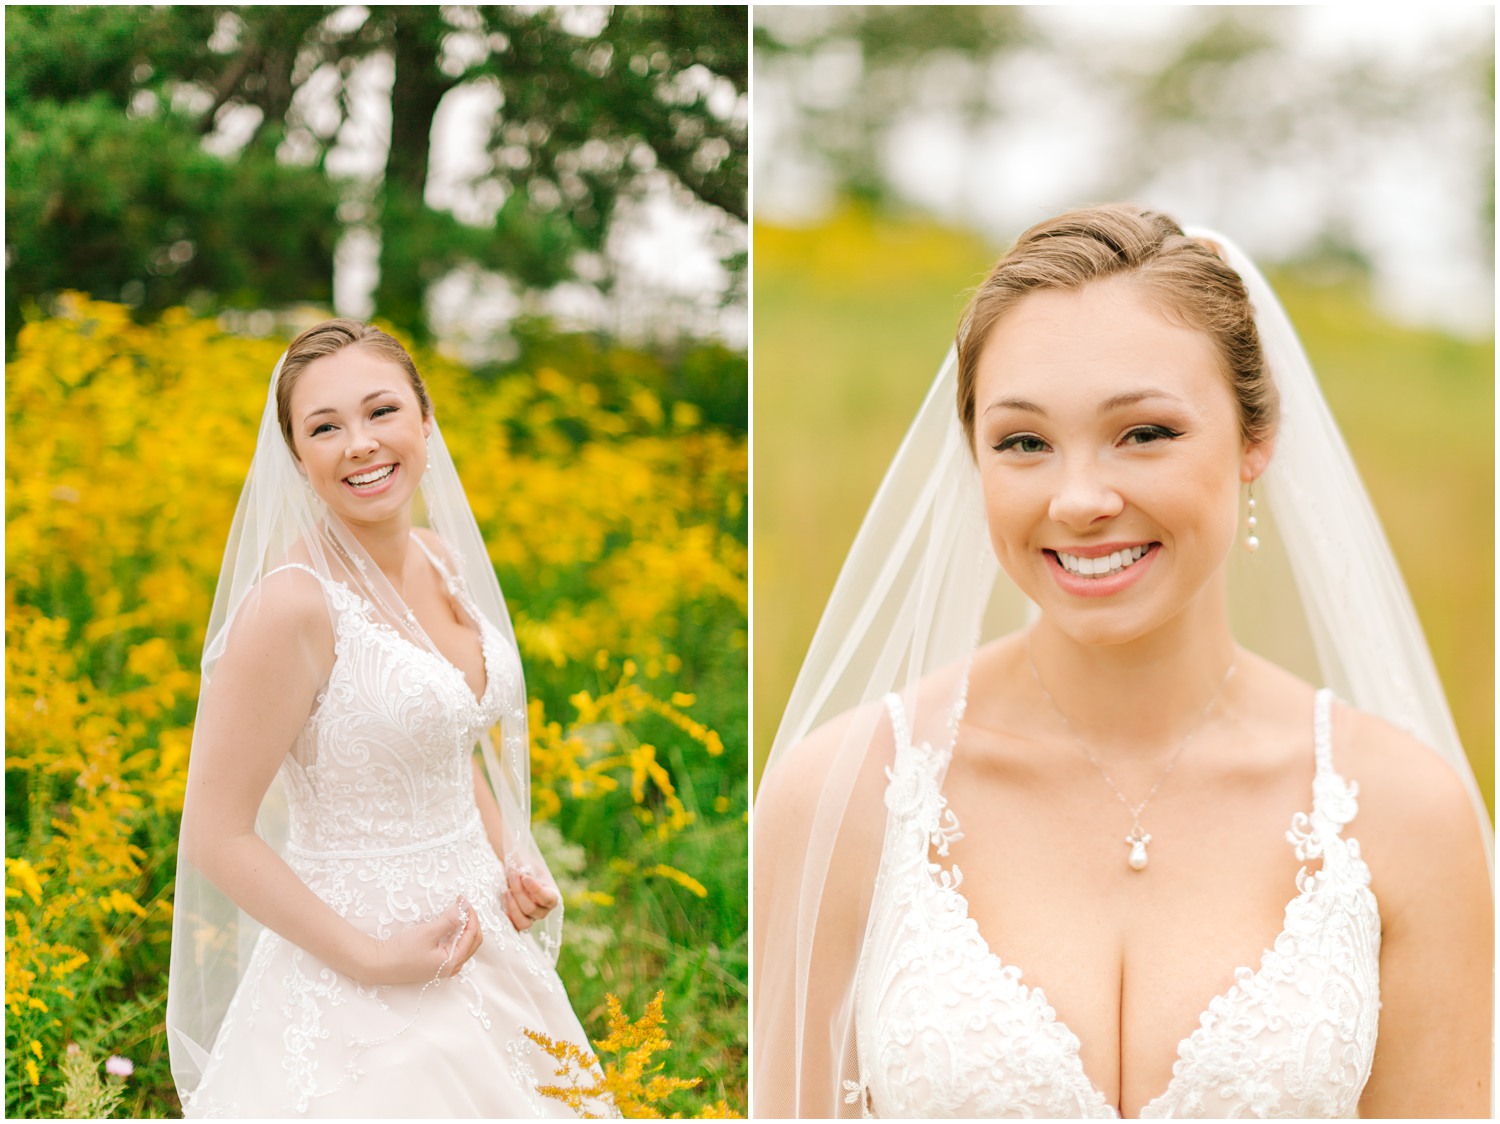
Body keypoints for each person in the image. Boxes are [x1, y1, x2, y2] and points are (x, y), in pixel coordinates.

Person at [751, 205, 1493, 1118]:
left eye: (1145, 433)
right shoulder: (840, 794)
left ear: (1256, 439)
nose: (1080, 500)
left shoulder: (1407, 816)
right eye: (1023, 443)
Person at [166, 320, 603, 1116]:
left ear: (426, 423)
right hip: (354, 965)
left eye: (382, 412)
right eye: (324, 428)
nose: (359, 444)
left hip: (483, 944)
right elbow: (213, 832)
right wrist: (370, 959)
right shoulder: (292, 606)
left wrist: (511, 857)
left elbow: (443, 744)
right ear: (297, 459)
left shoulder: (445, 558)